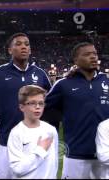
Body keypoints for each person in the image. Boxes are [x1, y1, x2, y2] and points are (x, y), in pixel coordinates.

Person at [0, 32, 51, 178]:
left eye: (26, 44)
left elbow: (52, 100)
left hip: (35, 141)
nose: (23, 47)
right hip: (7, 140)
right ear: (10, 50)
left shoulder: (40, 74)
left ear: (30, 50)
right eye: (18, 44)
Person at [44, 42, 109, 178]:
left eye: (95, 54)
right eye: (87, 54)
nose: (93, 57)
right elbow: (42, 109)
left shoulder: (106, 81)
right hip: (75, 156)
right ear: (76, 60)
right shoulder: (63, 84)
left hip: (105, 157)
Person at [7, 85, 58, 178]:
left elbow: (54, 163)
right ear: (22, 107)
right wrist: (40, 150)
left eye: (41, 103)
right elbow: (17, 169)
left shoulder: (51, 130)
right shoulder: (16, 133)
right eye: (32, 103)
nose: (37, 107)